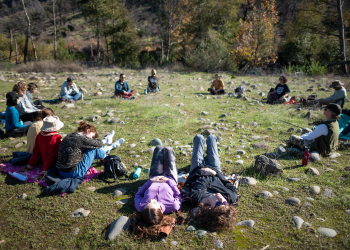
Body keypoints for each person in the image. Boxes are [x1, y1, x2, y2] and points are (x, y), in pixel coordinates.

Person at [182, 134, 238, 231]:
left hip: (197, 169)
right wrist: (215, 173)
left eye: (218, 204)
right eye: (224, 203)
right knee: (212, 138)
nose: (221, 199)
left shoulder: (195, 198)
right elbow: (230, 185)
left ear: (211, 209)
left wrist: (199, 171)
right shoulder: (230, 197)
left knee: (199, 137)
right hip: (215, 170)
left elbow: (188, 183)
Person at [130, 146, 182, 237]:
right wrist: (168, 181)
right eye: (153, 203)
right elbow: (178, 195)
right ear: (161, 211)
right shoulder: (173, 206)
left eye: (147, 204)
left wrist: (151, 181)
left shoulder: (140, 207)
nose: (150, 200)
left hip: (154, 177)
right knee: (168, 150)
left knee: (158, 149)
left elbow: (138, 194)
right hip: (170, 177)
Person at [56, 122, 123, 179]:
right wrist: (104, 141)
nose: (92, 139)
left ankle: (108, 149)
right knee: (93, 149)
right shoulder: (82, 139)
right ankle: (107, 155)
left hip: (61, 171)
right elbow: (99, 144)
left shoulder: (70, 135)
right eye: (92, 136)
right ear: (88, 131)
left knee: (91, 147)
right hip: (73, 173)